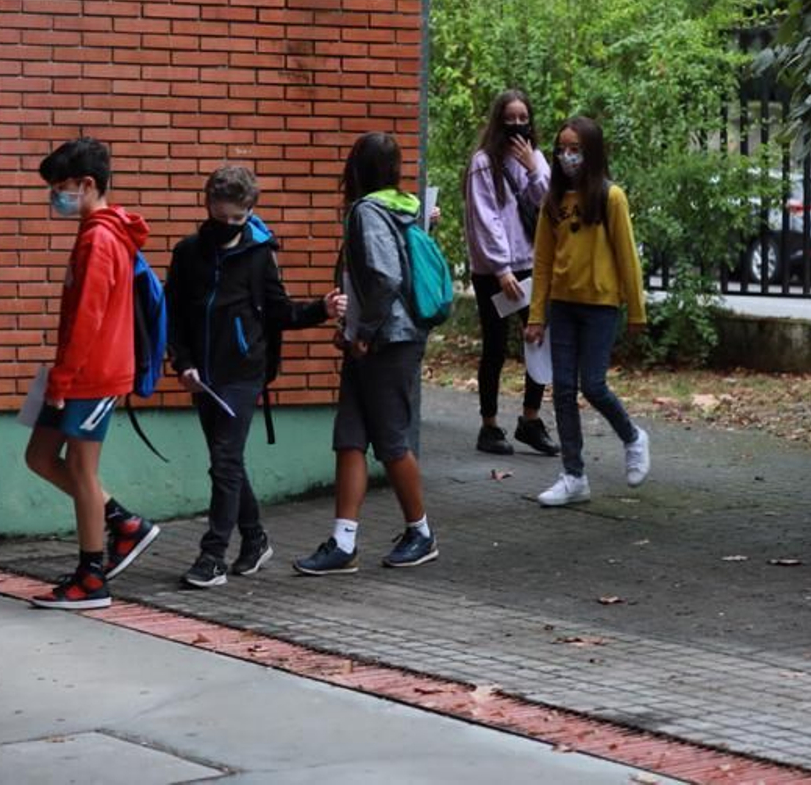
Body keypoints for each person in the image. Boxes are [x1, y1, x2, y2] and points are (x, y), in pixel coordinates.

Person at [166, 166, 344, 588]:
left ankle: (213, 556)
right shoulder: (188, 252)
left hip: (243, 373)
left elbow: (279, 312)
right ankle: (255, 538)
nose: (229, 227)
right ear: (208, 203)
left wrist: (320, 308)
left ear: (249, 213)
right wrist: (183, 362)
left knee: (225, 462)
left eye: (239, 220)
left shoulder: (259, 254)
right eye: (222, 216)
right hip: (203, 374)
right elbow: (174, 315)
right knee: (226, 462)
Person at [25, 137, 161, 609]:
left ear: (87, 184)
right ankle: (123, 522)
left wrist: (62, 380)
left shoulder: (101, 239)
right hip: (77, 372)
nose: (55, 197)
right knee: (40, 456)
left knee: (82, 471)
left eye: (60, 188)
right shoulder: (94, 233)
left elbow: (88, 318)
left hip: (93, 374)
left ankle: (92, 577)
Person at [295, 133, 438, 575]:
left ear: (356, 169)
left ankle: (421, 532)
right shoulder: (402, 206)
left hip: (387, 341)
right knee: (351, 436)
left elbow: (385, 277)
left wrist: (364, 333)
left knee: (392, 439)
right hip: (378, 337)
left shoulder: (368, 212)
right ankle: (343, 541)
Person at [524, 116, 651, 506]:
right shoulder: (553, 201)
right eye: (561, 149)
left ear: (591, 152)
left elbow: (627, 256)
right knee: (562, 390)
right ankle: (573, 475)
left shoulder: (611, 197)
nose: (566, 156)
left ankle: (633, 437)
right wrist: (536, 315)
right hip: (562, 306)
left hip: (600, 306)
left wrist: (636, 311)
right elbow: (543, 260)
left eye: (575, 149)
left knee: (593, 385)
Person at [462, 90, 558, 457]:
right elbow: (486, 218)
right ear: (498, 121)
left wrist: (534, 170)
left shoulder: (535, 159)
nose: (518, 125)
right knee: (496, 346)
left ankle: (530, 420)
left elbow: (549, 205)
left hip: (530, 264)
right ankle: (489, 425)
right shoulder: (484, 163)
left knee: (538, 338)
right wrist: (501, 268)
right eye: (511, 118)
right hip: (493, 272)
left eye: (524, 118)